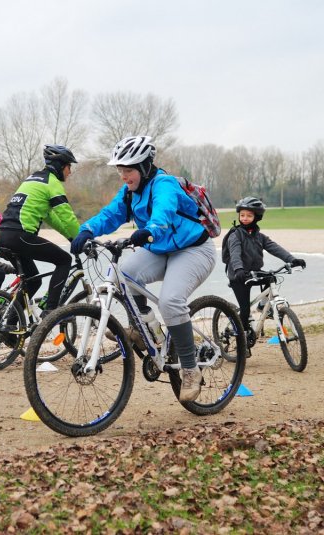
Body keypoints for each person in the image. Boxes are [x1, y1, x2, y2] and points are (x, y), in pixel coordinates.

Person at [70, 135, 216, 402]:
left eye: (129, 170)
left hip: (194, 249)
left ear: (146, 166)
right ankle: (144, 326)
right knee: (120, 273)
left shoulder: (165, 185)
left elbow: (163, 215)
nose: (124, 176)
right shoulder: (129, 193)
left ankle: (190, 368)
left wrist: (148, 231)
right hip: (161, 248)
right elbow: (110, 214)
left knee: (171, 302)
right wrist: (86, 230)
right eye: (120, 171)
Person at [0, 144, 80, 318]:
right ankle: (51, 312)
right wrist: (82, 238)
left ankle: (11, 326)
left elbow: (51, 218)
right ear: (60, 166)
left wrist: (72, 238)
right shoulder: (52, 183)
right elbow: (67, 217)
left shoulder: (32, 179)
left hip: (3, 236)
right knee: (64, 260)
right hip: (20, 235)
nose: (70, 172)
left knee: (33, 280)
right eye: (69, 167)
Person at [225, 197, 306, 347]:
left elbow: (274, 248)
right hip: (239, 275)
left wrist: (292, 259)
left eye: (249, 215)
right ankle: (241, 343)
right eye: (242, 215)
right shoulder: (235, 235)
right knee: (244, 310)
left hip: (254, 272)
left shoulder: (259, 236)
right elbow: (235, 254)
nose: (245, 218)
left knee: (271, 278)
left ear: (256, 217)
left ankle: (263, 306)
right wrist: (238, 269)